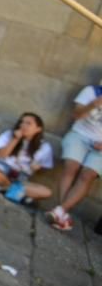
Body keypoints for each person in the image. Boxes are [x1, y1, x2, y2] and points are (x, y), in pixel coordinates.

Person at [47, 82, 102, 232]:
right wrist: (93, 104)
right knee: (71, 166)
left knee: (87, 175)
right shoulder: (92, 91)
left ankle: (60, 211)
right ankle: (61, 213)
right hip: (80, 135)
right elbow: (76, 115)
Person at [0, 113, 53, 204]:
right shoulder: (9, 134)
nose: (23, 125)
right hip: (1, 170)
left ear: (38, 129)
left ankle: (2, 187)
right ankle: (15, 192)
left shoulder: (45, 147)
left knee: (47, 192)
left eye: (28, 123)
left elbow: (43, 168)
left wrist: (38, 167)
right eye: (22, 122)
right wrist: (15, 139)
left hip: (21, 178)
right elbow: (1, 156)